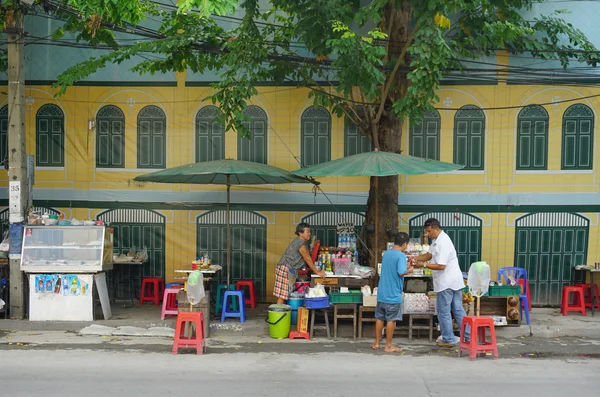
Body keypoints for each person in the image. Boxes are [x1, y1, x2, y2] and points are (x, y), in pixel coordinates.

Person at [410, 218, 469, 347]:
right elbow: (429, 255)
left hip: (446, 282)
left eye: (429, 231)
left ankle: (448, 339)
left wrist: (423, 265)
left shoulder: (443, 243)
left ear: (436, 228)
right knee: (457, 309)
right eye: (427, 232)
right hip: (454, 281)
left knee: (444, 311)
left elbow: (441, 265)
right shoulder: (437, 241)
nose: (428, 234)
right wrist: (414, 258)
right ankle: (468, 336)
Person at [372, 231, 413, 353]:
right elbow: (401, 272)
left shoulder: (387, 254)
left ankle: (377, 342)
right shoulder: (400, 255)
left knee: (380, 318)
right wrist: (409, 270)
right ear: (405, 244)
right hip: (393, 294)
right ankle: (388, 346)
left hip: (382, 293)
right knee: (391, 319)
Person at [274, 222, 326, 304]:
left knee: (285, 294)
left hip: (288, 268)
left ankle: (283, 313)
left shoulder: (299, 241)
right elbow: (308, 259)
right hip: (285, 268)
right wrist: (317, 272)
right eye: (307, 232)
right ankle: (279, 314)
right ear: (300, 233)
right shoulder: (300, 243)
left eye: (310, 232)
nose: (309, 234)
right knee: (282, 295)